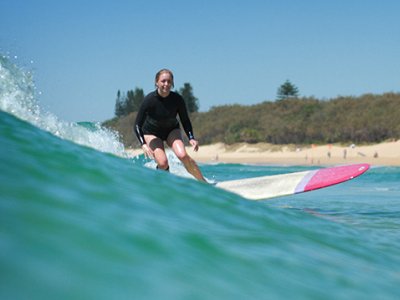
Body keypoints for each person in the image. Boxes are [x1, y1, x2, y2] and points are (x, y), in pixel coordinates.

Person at [134, 69, 206, 182]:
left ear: (172, 83)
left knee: (183, 155)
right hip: (151, 133)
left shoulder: (177, 99)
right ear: (156, 82)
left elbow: (185, 120)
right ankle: (164, 183)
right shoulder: (149, 100)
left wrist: (191, 137)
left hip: (171, 130)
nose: (166, 84)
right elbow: (137, 125)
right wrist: (143, 144)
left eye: (169, 81)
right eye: (163, 81)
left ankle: (203, 183)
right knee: (163, 163)